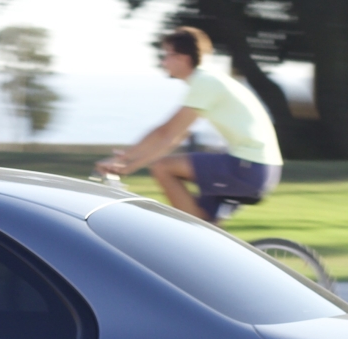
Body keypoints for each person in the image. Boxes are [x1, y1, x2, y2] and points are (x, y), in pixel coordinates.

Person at [95, 27, 283, 221]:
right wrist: (126, 159)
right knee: (205, 220)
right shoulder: (207, 80)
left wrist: (127, 165)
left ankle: (196, 234)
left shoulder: (205, 82)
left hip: (248, 168)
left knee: (163, 167)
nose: (163, 61)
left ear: (183, 58)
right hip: (255, 167)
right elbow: (175, 135)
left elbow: (166, 133)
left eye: (167, 55)